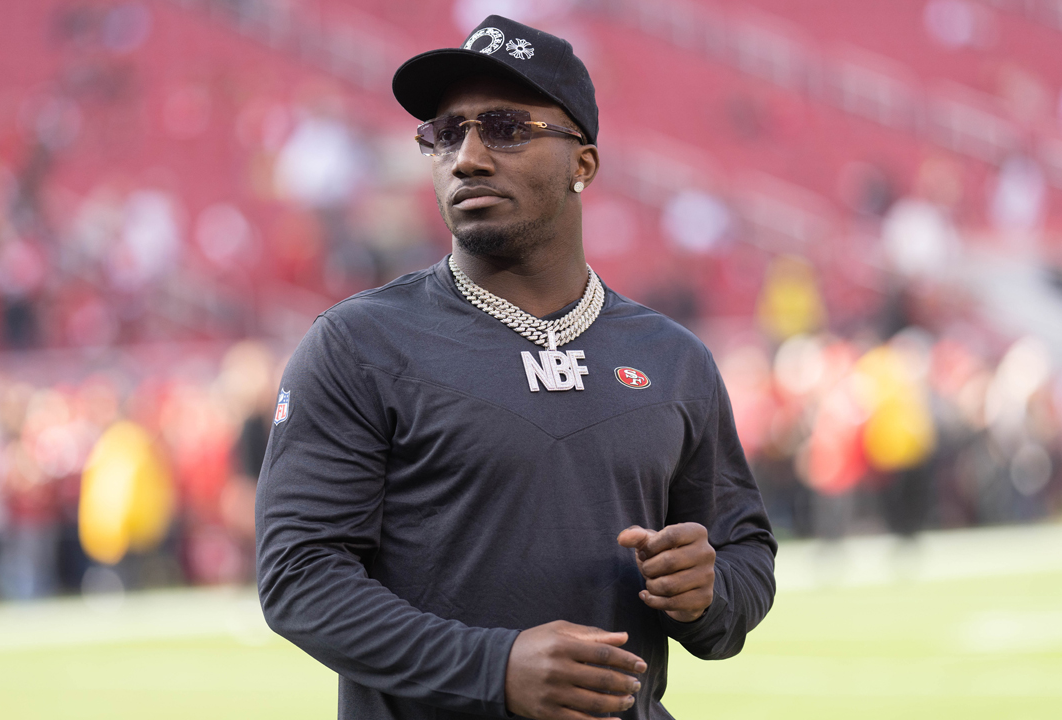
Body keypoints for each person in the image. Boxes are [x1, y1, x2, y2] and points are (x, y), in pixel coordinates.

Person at [256, 15, 777, 720]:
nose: (467, 156)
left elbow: (744, 555)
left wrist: (708, 591)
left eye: (505, 128)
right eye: (446, 133)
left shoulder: (673, 359)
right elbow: (299, 578)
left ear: (582, 164)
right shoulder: (357, 345)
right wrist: (491, 667)